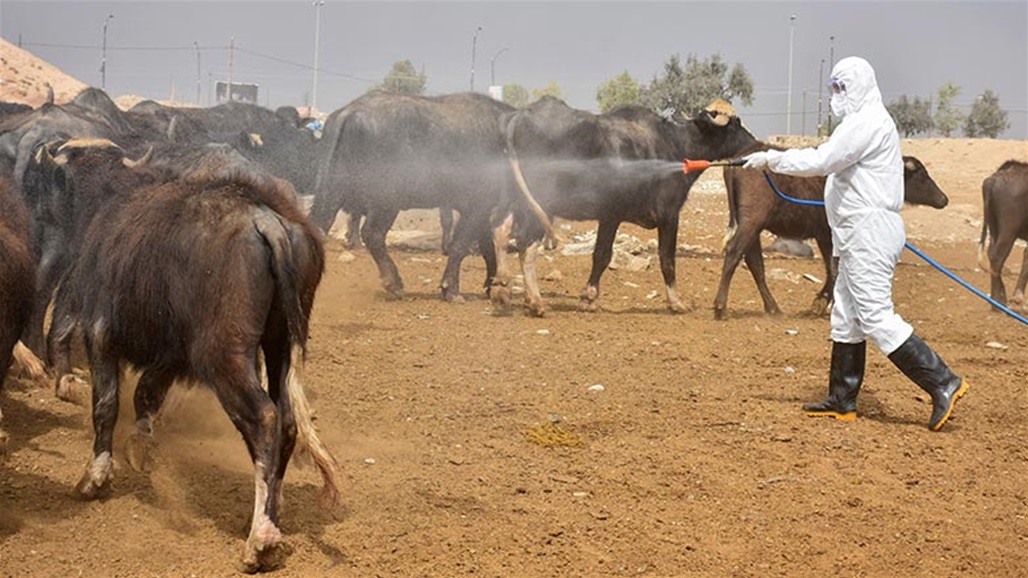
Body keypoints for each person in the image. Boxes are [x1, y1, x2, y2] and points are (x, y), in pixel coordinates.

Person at [741, 56, 968, 431]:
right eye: (833, 87)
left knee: (876, 315)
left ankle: (943, 380)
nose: (835, 95)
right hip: (853, 232)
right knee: (846, 314)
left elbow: (825, 159)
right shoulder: (859, 123)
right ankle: (842, 398)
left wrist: (770, 159)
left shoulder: (868, 122)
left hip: (869, 231)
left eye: (841, 87)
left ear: (861, 85)